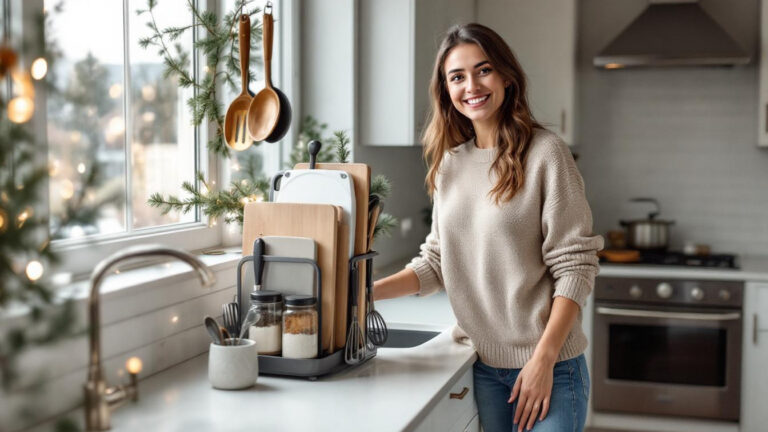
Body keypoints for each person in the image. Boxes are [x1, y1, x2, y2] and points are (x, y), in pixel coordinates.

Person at [372, 23, 603, 432]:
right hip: (483, 370)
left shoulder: (547, 153)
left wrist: (543, 360)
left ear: (506, 77)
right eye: (457, 77)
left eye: (483, 70)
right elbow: (437, 262)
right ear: (446, 91)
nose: (471, 85)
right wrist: (364, 293)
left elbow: (575, 267)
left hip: (551, 367)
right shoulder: (449, 164)